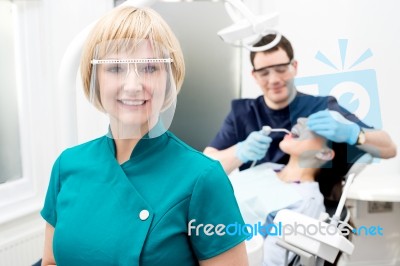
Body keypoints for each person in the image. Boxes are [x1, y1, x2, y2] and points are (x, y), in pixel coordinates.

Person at [40, 6, 249, 266]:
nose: (133, 85)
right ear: (94, 79)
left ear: (169, 78)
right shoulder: (66, 165)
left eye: (150, 68)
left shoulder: (204, 178)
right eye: (115, 68)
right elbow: (50, 262)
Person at [204, 34, 396, 174]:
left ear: (294, 67)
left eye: (281, 69)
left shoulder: (322, 107)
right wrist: (239, 152)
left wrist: (355, 134)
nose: (273, 80)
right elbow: (207, 165)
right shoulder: (243, 112)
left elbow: (389, 149)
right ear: (254, 76)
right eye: (264, 73)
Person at [229, 118, 340, 265]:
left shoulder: (307, 201)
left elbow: (270, 263)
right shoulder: (267, 168)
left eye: (315, 125)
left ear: (324, 153)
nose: (300, 121)